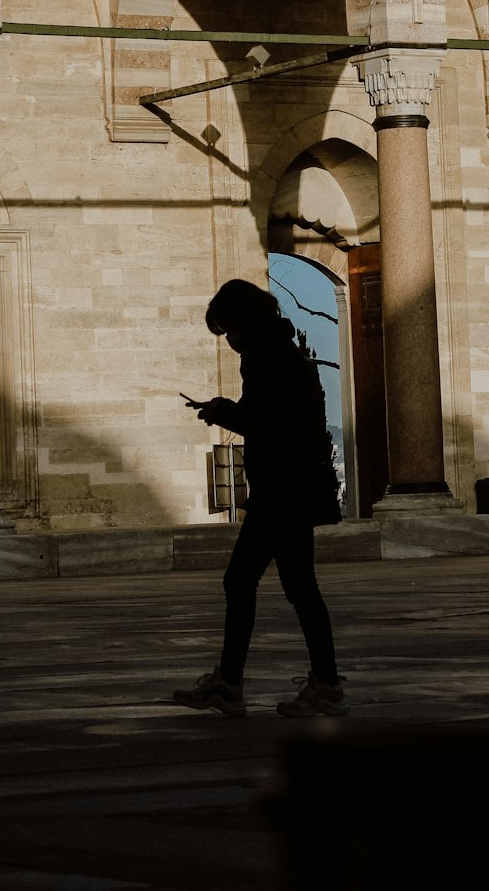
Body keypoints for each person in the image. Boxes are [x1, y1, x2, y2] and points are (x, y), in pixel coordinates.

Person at [173, 278, 348, 719]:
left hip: (282, 491)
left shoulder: (267, 359)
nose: (229, 341)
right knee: (297, 586)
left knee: (248, 581)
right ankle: (317, 683)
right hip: (292, 489)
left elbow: (267, 422)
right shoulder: (284, 354)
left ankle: (235, 685)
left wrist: (222, 411)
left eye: (229, 329)